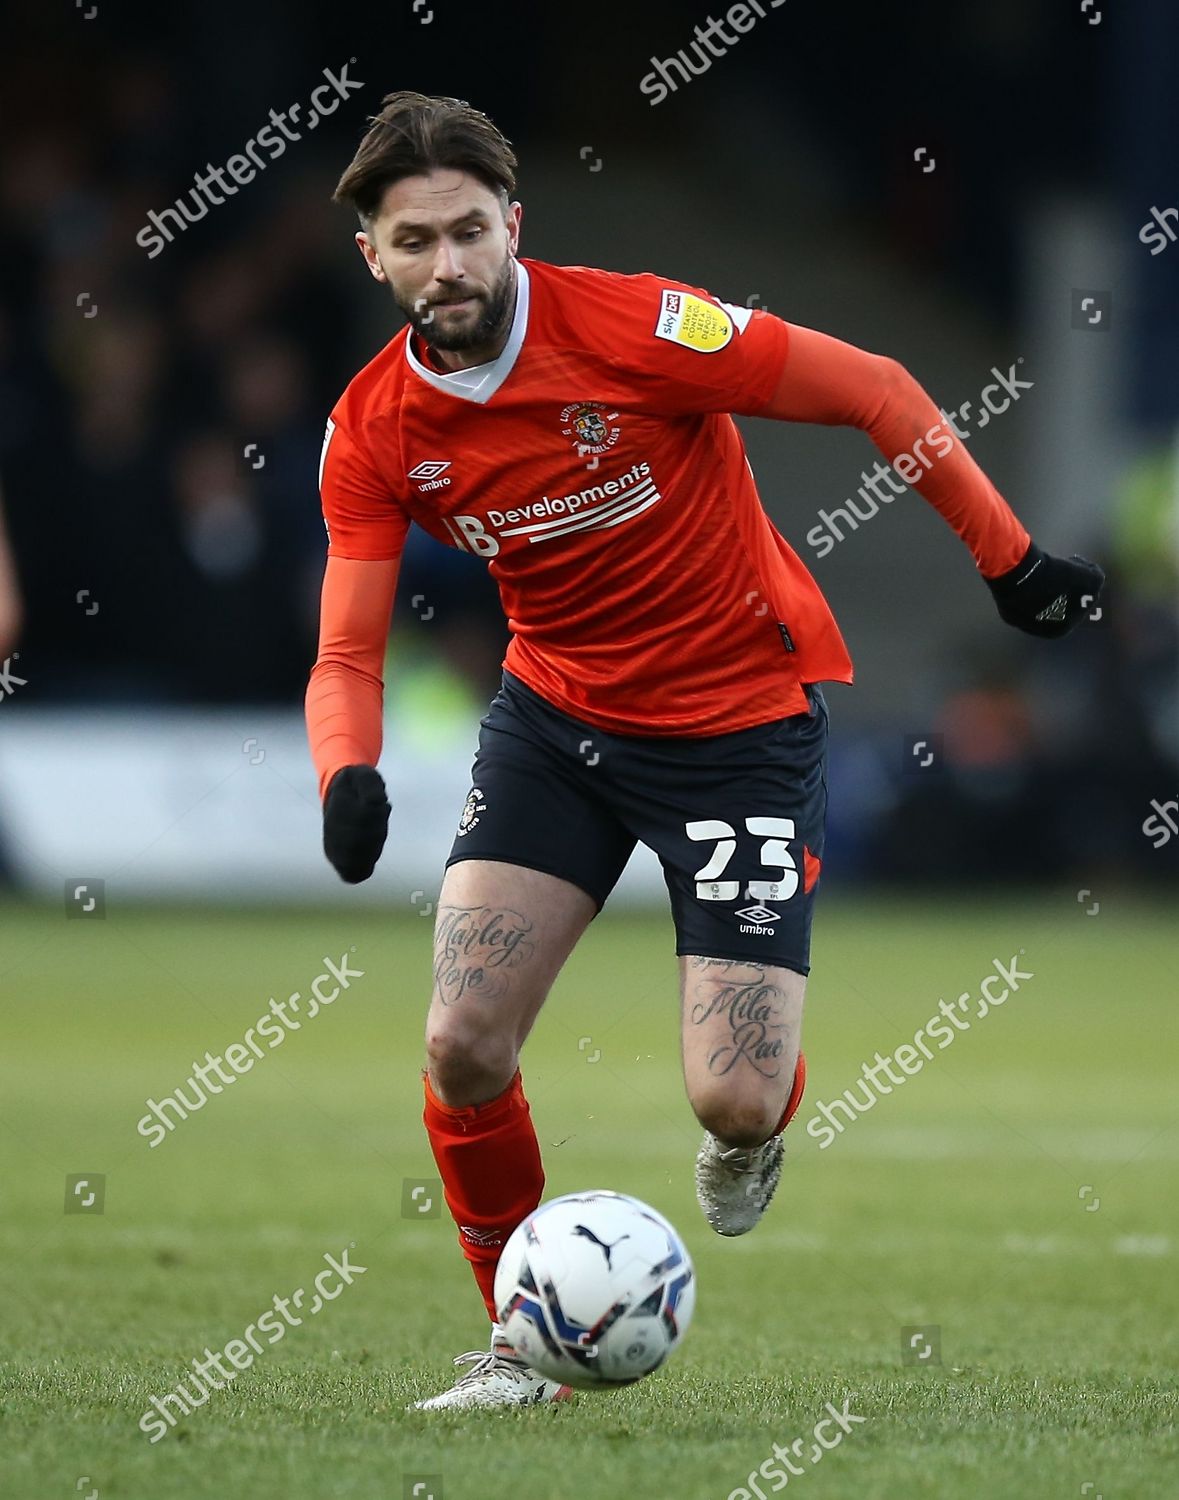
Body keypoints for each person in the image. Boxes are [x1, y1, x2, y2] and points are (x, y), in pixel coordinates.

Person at [304, 90, 1104, 1409]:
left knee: (733, 1101)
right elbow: (346, 652)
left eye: (466, 231)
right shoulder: (374, 428)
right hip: (555, 727)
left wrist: (1009, 562)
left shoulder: (636, 327)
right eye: (413, 241)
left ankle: (756, 1120)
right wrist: (346, 770)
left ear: (514, 225)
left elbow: (878, 389)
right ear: (373, 258)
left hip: (737, 727)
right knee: (460, 1041)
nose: (445, 264)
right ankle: (521, 1350)